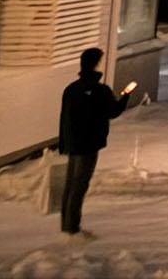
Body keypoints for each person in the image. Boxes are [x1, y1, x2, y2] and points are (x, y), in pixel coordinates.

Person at [56, 47, 136, 238]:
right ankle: (71, 230)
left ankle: (66, 225)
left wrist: (63, 142)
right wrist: (126, 94)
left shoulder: (71, 89)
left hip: (73, 142)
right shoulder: (100, 91)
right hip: (89, 143)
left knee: (70, 184)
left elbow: (64, 117)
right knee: (80, 184)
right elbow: (113, 111)